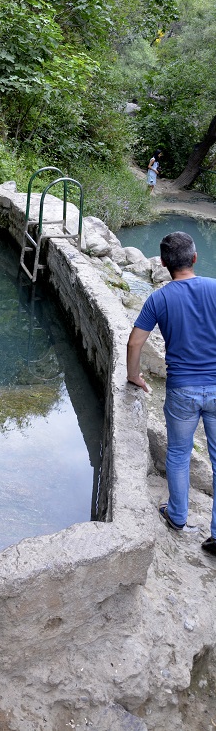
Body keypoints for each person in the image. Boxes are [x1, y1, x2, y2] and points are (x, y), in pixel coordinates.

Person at [126, 231, 216, 557]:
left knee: (178, 454)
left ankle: (177, 516)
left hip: (182, 390)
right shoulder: (214, 287)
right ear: (194, 258)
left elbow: (135, 342)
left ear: (163, 264)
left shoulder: (159, 298)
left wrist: (134, 375)